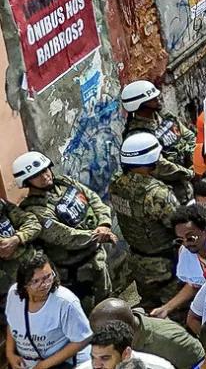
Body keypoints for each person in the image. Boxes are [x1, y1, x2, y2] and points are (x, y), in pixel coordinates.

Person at [13, 152, 114, 307]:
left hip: (97, 258)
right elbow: (66, 237)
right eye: (37, 175)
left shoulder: (64, 182)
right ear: (26, 181)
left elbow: (93, 199)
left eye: (45, 170)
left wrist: (104, 224)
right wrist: (99, 235)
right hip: (77, 273)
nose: (45, 175)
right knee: (88, 316)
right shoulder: (35, 210)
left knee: (109, 302)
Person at [107, 133, 182, 311]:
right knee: (175, 311)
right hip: (164, 265)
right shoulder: (157, 194)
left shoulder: (116, 184)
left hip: (137, 260)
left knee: (148, 306)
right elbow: (180, 225)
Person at [5, 254, 91, 369]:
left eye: (48, 277)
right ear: (24, 284)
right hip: (27, 363)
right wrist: (10, 354)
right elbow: (12, 323)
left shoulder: (66, 302)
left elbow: (83, 339)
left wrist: (44, 365)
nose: (45, 285)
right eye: (36, 281)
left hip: (60, 363)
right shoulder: (14, 294)